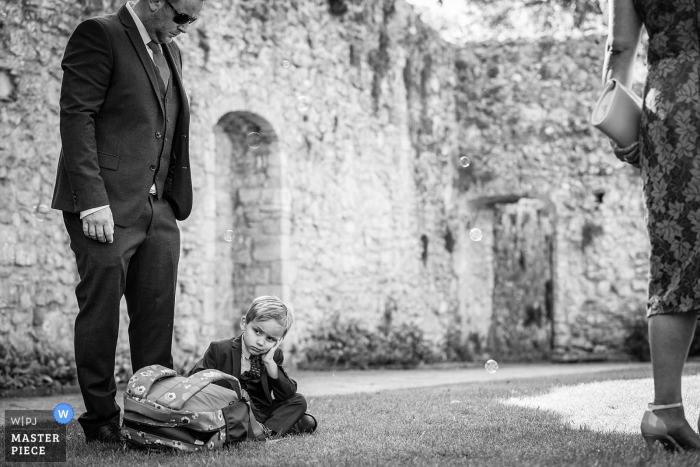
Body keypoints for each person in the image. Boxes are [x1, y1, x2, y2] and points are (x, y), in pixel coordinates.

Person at [51, 0, 204, 445]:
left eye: (194, 19)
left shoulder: (171, 51)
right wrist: (91, 202)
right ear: (156, 1)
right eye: (183, 17)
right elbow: (76, 117)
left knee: (157, 315)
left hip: (160, 209)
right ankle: (100, 420)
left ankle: (150, 417)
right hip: (105, 206)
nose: (188, 28)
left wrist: (171, 201)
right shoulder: (99, 34)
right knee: (100, 311)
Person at [603, 0, 700, 451]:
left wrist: (616, 120)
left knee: (675, 256)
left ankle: (665, 411)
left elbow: (621, 46)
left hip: (673, 108)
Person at [188, 296, 318, 439]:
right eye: (257, 331)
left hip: (259, 412)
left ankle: (265, 432)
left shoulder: (274, 356)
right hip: (231, 408)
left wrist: (270, 363)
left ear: (278, 341)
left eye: (270, 339)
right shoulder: (220, 349)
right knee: (304, 422)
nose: (261, 342)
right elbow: (195, 379)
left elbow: (286, 394)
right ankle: (276, 426)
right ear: (244, 323)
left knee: (299, 401)